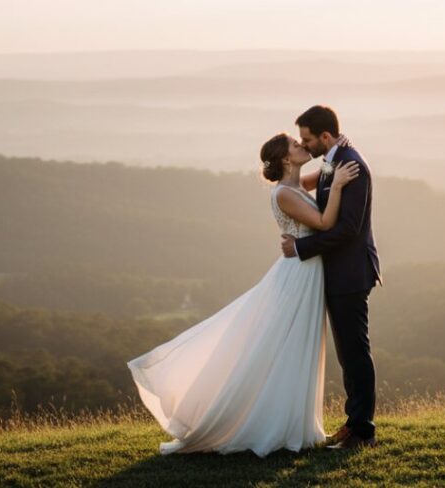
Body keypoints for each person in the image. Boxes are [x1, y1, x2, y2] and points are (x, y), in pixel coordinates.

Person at [127, 131, 359, 457]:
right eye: (296, 144)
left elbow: (317, 176)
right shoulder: (284, 194)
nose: (302, 146)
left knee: (295, 346)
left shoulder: (294, 186)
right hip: (298, 277)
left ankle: (291, 421)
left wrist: (338, 148)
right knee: (284, 345)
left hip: (306, 273)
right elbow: (322, 222)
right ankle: (266, 422)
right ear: (284, 159)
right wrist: (336, 187)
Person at [281, 105, 382, 450]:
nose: (304, 146)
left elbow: (348, 230)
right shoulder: (332, 160)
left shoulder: (352, 166)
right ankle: (353, 423)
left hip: (351, 273)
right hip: (339, 272)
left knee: (355, 352)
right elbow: (302, 186)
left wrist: (301, 247)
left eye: (308, 140)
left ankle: (362, 431)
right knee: (347, 353)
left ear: (325, 136)